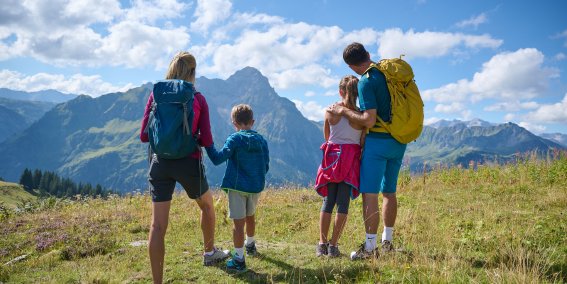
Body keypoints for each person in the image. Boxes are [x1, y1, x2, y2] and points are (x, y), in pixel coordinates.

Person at [140, 51, 228, 283]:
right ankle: (209, 253)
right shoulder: (197, 98)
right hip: (188, 162)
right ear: (193, 72)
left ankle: (157, 281)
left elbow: (143, 135)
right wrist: (219, 156)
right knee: (207, 206)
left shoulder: (155, 95)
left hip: (159, 163)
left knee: (157, 226)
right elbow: (207, 139)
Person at [328, 42, 407, 260]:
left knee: (370, 193)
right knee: (389, 192)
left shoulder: (366, 81)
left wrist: (344, 110)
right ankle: (387, 242)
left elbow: (369, 120)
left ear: (352, 67)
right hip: (399, 140)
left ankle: (370, 248)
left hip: (378, 142)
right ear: (369, 55)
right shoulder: (388, 73)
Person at [205, 104, 269, 273]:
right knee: (251, 217)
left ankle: (239, 259)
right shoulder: (262, 140)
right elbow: (266, 165)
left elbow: (218, 158)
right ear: (252, 121)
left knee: (238, 224)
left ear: (234, 123)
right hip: (255, 187)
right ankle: (251, 245)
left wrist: (207, 144)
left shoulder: (234, 139)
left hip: (237, 187)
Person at [314, 75, 365, 258]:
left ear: (340, 91)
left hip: (332, 159)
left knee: (328, 202)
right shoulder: (361, 116)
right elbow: (362, 141)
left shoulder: (330, 111)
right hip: (350, 160)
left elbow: (327, 137)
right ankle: (333, 246)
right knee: (343, 204)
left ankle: (322, 244)